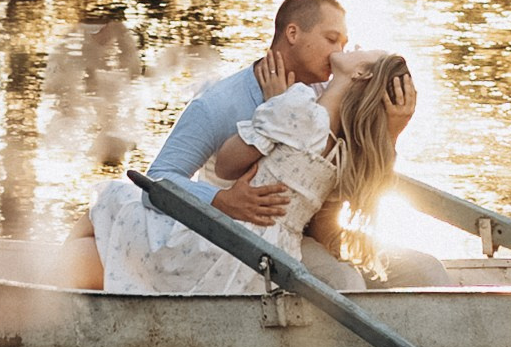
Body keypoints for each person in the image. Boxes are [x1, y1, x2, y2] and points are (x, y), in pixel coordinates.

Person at [54, 0, 348, 291]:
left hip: (286, 243)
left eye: (344, 43)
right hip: (216, 245)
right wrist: (221, 201)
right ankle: (54, 290)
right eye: (331, 39)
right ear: (292, 33)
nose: (339, 53)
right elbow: (160, 178)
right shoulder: (218, 104)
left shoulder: (324, 100)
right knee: (105, 211)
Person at [90, 47, 419, 295]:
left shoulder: (300, 108)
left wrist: (273, 109)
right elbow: (360, 187)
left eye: (358, 50)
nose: (345, 46)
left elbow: (227, 164)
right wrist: (392, 131)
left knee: (116, 197)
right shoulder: (350, 148)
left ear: (361, 73)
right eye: (334, 38)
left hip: (232, 235)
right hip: (279, 251)